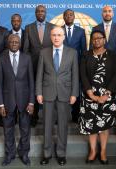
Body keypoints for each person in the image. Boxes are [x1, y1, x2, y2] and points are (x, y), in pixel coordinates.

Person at [36, 27, 79, 166]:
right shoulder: (43, 52)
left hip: (65, 93)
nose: (56, 37)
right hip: (47, 93)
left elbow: (75, 75)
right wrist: (39, 92)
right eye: (54, 35)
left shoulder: (72, 52)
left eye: (59, 35)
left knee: (62, 126)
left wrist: (74, 93)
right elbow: (39, 75)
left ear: (64, 36)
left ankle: (61, 153)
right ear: (50, 36)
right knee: (47, 125)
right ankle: (47, 154)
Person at [79, 30, 116, 165]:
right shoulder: (85, 55)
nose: (97, 40)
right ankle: (93, 151)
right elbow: (83, 75)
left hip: (107, 96)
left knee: (104, 125)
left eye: (99, 38)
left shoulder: (113, 55)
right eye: (94, 38)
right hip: (89, 95)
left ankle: (103, 151)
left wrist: (107, 94)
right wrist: (90, 94)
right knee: (91, 124)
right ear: (91, 41)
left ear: (104, 40)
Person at [0, 34, 35, 166]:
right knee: (8, 130)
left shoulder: (27, 58)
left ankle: (24, 153)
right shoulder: (2, 59)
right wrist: (0, 104)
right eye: (11, 42)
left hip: (25, 101)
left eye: (16, 42)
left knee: (25, 129)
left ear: (20, 44)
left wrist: (31, 102)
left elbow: (31, 81)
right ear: (8, 43)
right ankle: (10, 154)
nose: (14, 43)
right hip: (7, 101)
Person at [23, 5, 55, 127]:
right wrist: (27, 65)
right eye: (38, 11)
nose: (40, 13)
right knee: (34, 90)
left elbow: (55, 46)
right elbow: (26, 49)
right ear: (35, 13)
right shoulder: (28, 28)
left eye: (43, 11)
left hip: (49, 66)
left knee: (48, 91)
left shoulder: (52, 27)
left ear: (45, 13)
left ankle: (49, 119)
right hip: (33, 65)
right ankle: (33, 117)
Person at [62, 9, 87, 123]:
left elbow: (84, 51)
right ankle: (61, 116)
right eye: (66, 15)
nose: (69, 17)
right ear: (63, 17)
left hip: (76, 66)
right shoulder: (58, 30)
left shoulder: (81, 31)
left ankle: (76, 115)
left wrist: (82, 67)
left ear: (74, 17)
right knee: (61, 90)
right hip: (61, 67)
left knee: (75, 90)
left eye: (71, 15)